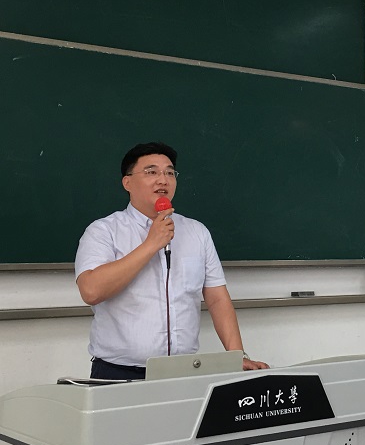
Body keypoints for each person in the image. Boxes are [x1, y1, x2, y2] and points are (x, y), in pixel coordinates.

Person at [75, 142, 268, 380]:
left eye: (169, 173)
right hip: (118, 372)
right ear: (127, 183)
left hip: (184, 371)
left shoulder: (196, 232)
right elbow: (91, 291)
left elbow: (217, 298)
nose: (163, 180)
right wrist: (151, 244)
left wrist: (237, 355)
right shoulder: (104, 231)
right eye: (151, 172)